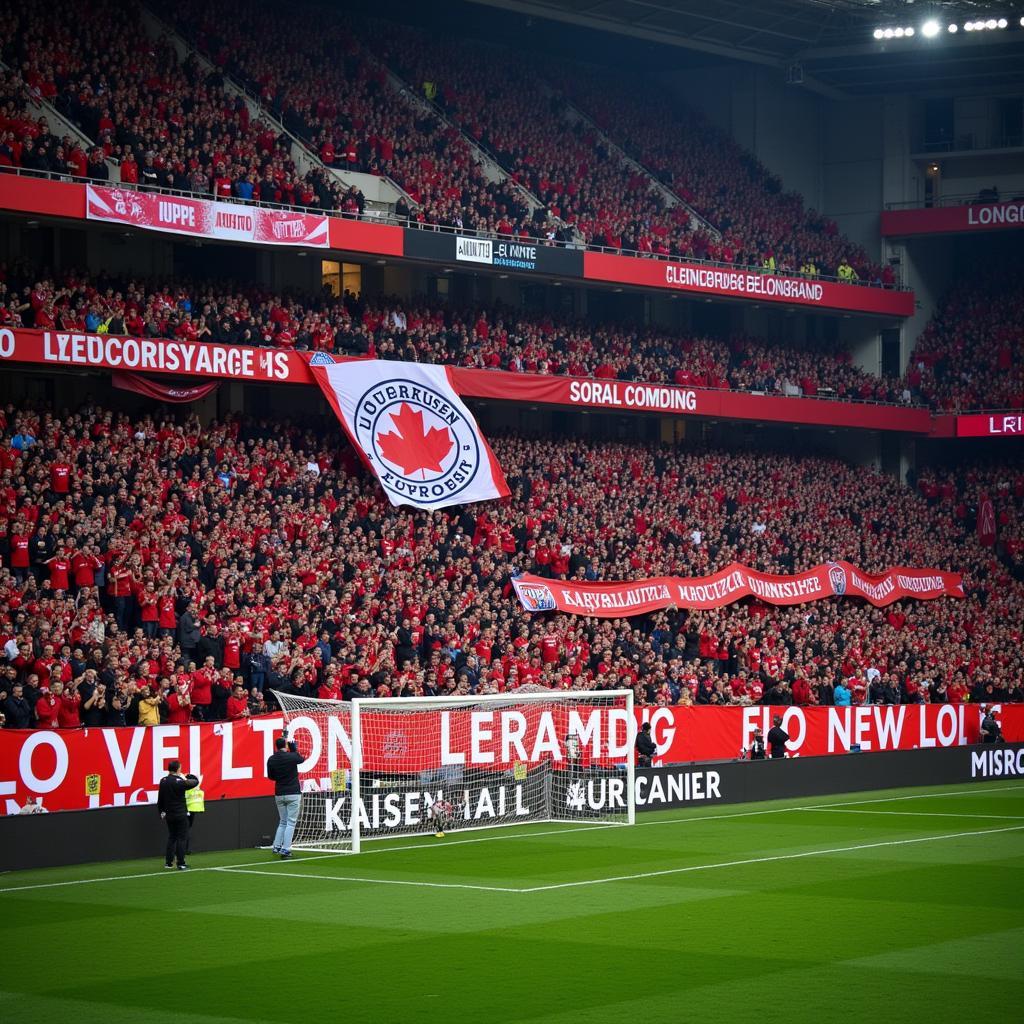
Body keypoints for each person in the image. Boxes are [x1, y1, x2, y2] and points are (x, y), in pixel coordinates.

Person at [158, 760, 200, 870]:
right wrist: (188, 776)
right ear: (178, 769)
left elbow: (160, 799)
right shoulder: (179, 781)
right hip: (180, 813)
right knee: (182, 838)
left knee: (172, 837)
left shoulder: (163, 781)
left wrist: (161, 812)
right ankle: (181, 863)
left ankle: (168, 863)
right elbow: (195, 782)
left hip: (169, 814)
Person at [266, 734, 303, 858]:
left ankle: (276, 846)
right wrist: (294, 749)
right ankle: (286, 849)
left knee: (283, 821)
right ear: (286, 746)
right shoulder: (291, 756)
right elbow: (300, 759)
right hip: (293, 793)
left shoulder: (271, 759)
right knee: (291, 823)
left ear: (276, 747)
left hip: (279, 793)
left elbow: (271, 776)